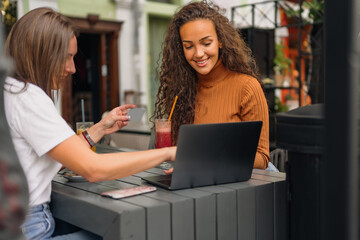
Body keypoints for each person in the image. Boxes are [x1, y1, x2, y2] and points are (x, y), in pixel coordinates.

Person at [4, 7, 176, 240]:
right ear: (41, 53)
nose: (72, 69)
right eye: (66, 57)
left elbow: (60, 151)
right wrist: (167, 152)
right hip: (31, 226)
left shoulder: (11, 91)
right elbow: (94, 169)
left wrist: (101, 128)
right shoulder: (29, 98)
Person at [152, 0, 270, 169]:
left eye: (206, 43)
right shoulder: (182, 91)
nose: (199, 53)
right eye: (188, 46)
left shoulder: (246, 87)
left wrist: (203, 160)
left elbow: (261, 159)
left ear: (220, 41)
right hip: (191, 184)